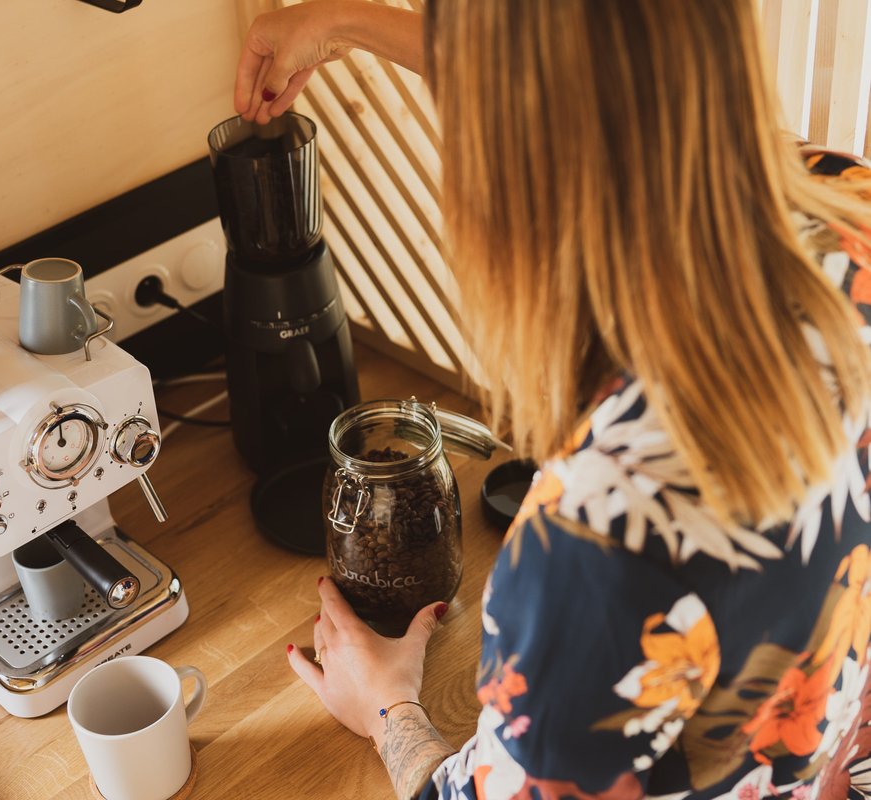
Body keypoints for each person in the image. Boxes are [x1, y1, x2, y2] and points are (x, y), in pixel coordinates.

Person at [235, 2, 871, 799]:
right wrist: (351, 24)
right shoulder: (845, 202)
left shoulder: (600, 539)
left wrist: (388, 706)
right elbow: (618, 78)